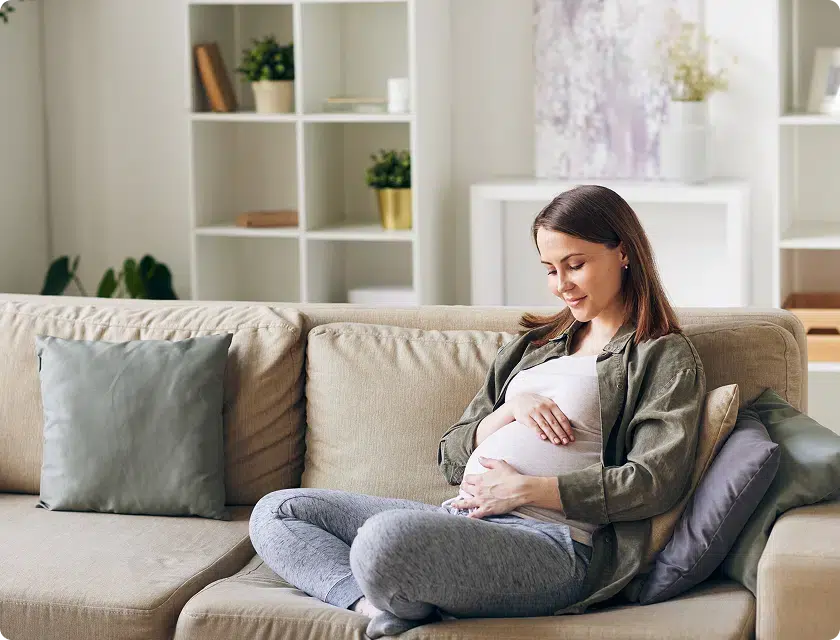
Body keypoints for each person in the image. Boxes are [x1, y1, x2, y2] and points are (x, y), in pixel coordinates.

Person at [248, 185, 706, 639]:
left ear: (622, 252)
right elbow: (451, 452)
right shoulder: (534, 347)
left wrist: (528, 490)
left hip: (553, 545)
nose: (561, 285)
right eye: (550, 269)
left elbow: (654, 483)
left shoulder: (661, 355)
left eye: (576, 265)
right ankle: (373, 606)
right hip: (463, 519)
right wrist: (509, 408)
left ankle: (397, 587)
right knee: (278, 510)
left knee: (384, 540)